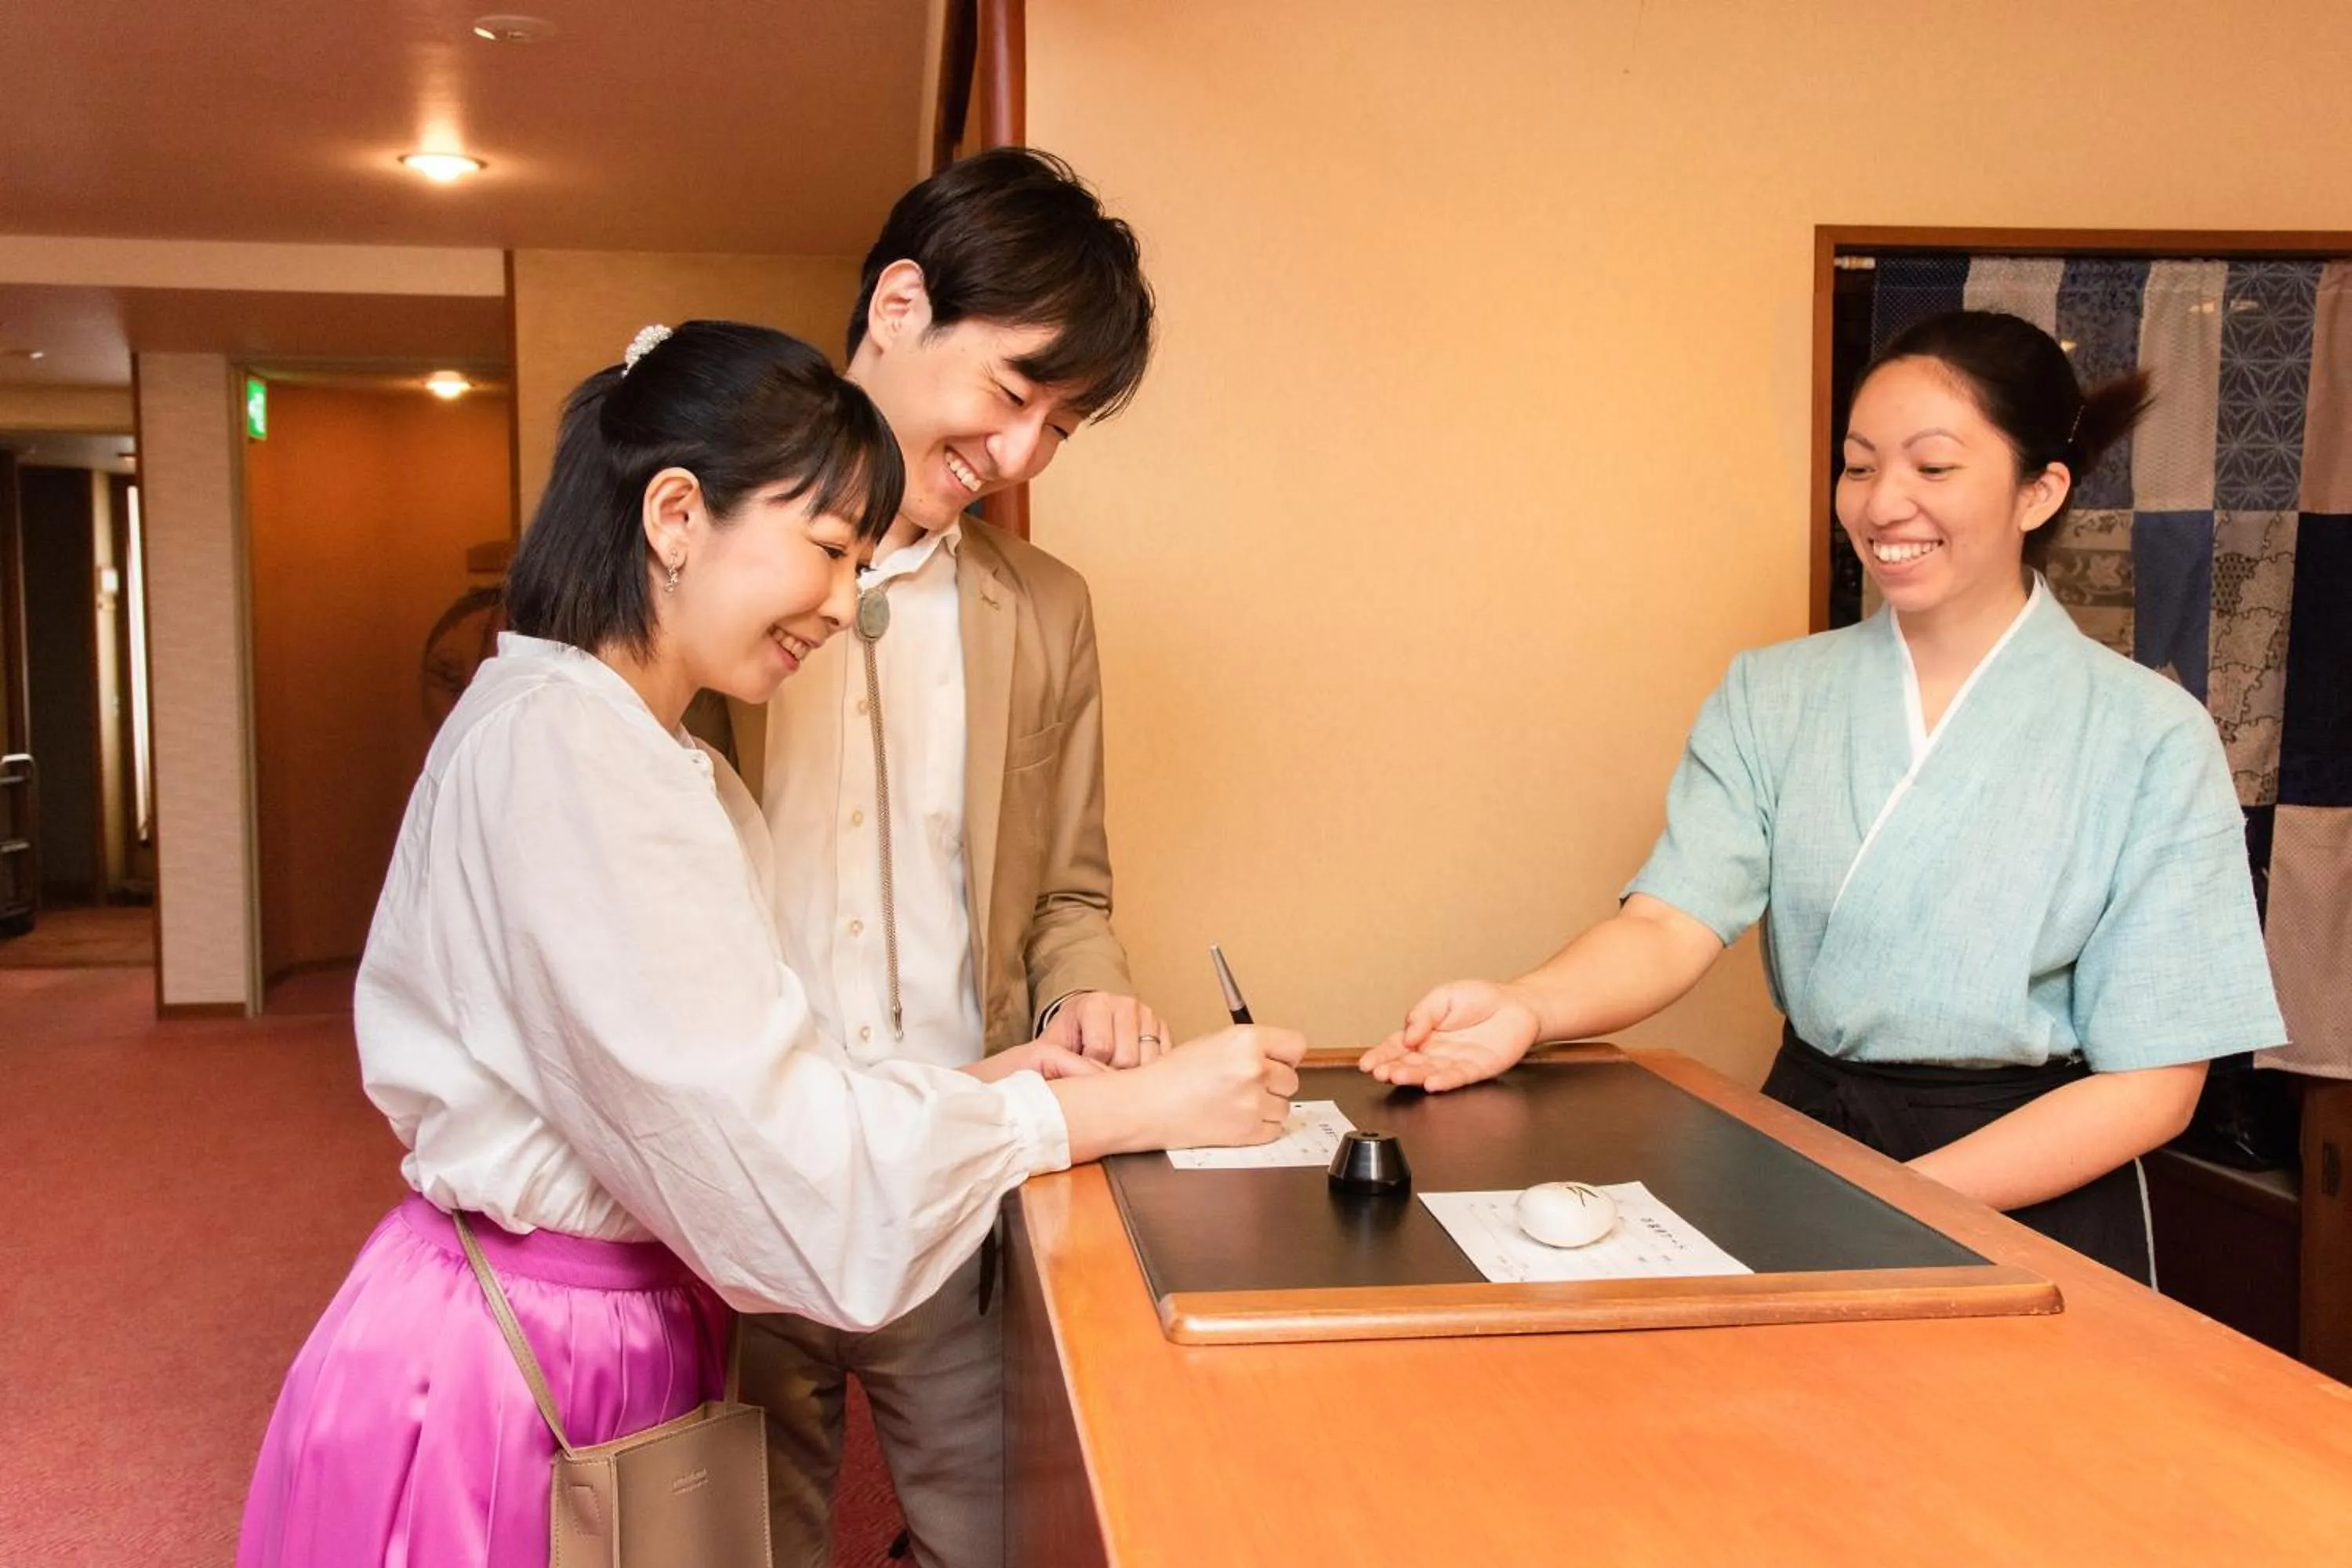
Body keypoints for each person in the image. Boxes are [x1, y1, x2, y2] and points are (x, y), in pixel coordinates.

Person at [237, 321, 1303, 1568]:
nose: (848, 606)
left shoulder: (651, 753)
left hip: (609, 1322)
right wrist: (1109, 1116)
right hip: (514, 1364)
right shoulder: (573, 759)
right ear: (677, 515)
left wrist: (986, 1083)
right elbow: (786, 1194)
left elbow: (749, 1076)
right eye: (832, 551)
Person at [1361, 309, 2285, 1281]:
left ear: (2039, 490)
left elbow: (2154, 1084)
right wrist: (1525, 1006)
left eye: (1933, 468)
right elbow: (1671, 923)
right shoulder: (1774, 692)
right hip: (1809, 1148)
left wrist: (1900, 1196)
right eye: (1858, 463)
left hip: (2030, 1186)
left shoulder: (2149, 735)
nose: (1884, 503)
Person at [740, 149, 1163, 1568]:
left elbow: (1070, 889)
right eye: (1013, 394)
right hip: (732, 1193)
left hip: (947, 1172)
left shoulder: (1045, 613)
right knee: (729, 1539)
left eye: (1065, 426)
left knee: (998, 1537)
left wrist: (1086, 996)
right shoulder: (701, 563)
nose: (1027, 457)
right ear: (902, 305)